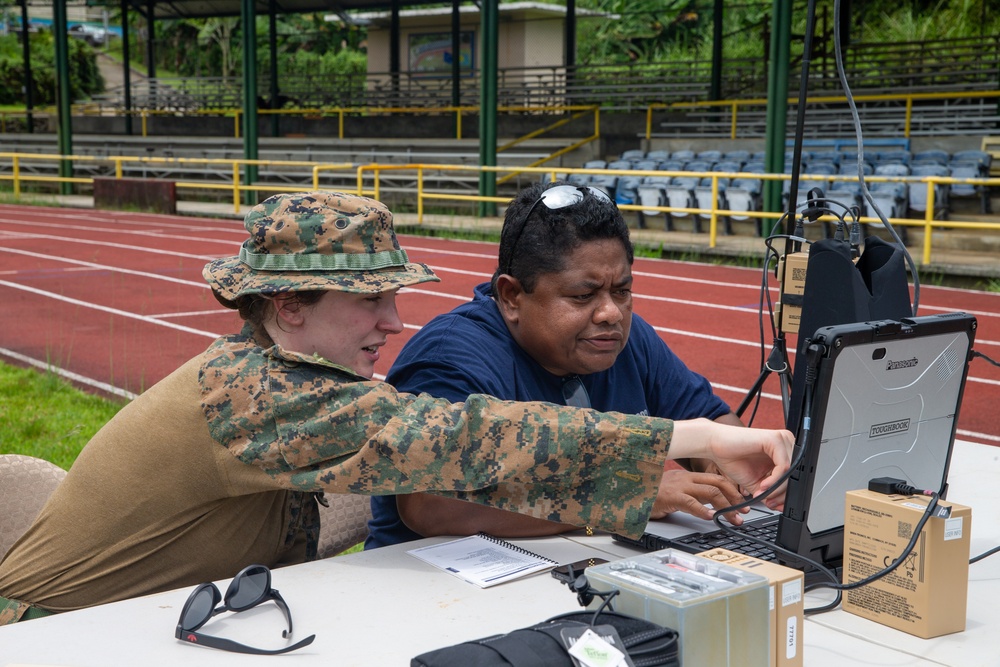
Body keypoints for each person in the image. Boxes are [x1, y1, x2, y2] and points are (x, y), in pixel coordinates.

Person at [0, 191, 792, 623]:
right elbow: (469, 437)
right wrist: (693, 436)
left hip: (170, 618)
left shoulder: (281, 373)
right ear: (289, 307)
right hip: (60, 636)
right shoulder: (257, 394)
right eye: (369, 300)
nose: (393, 323)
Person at [366, 181, 779, 549]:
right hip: (436, 587)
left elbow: (708, 419)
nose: (610, 313)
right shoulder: (452, 355)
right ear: (511, 296)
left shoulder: (625, 340)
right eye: (583, 296)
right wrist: (622, 498)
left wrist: (726, 476)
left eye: (622, 290)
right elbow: (431, 506)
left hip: (575, 568)